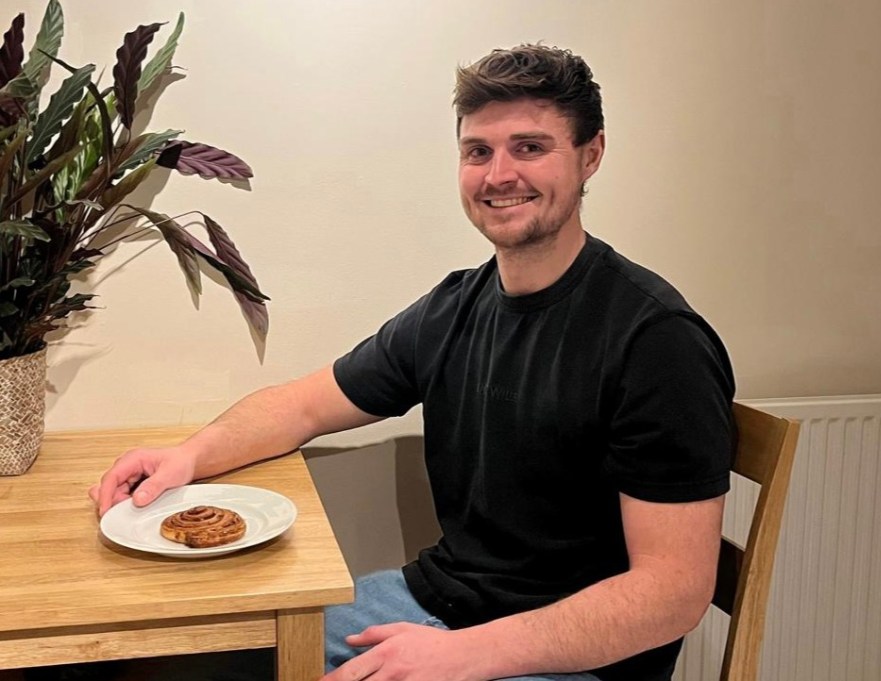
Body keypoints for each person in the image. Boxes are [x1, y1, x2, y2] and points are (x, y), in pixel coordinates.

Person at [90, 44, 735, 681]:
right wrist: (188, 457)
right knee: (173, 656)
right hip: (435, 603)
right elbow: (303, 405)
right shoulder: (455, 307)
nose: (499, 174)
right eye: (478, 151)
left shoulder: (656, 340)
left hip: (572, 657)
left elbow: (671, 593)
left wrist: (463, 655)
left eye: (530, 147)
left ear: (591, 154)